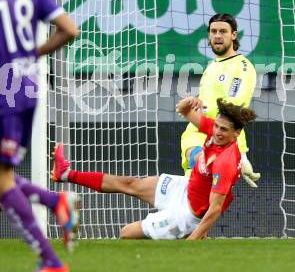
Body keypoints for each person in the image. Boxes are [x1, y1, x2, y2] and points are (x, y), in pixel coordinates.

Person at [51, 97, 256, 240]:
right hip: (185, 187)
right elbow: (184, 111)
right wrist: (189, 102)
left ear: (237, 133)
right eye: (217, 126)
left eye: (224, 130)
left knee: (126, 234)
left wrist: (193, 238)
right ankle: (66, 174)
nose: (217, 132)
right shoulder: (215, 130)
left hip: (188, 213)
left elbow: (215, 209)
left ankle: (178, 237)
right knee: (130, 183)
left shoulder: (225, 161)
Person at [0, 0, 79, 272]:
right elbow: (69, 30)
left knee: (2, 179)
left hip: (3, 93)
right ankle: (55, 199)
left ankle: (51, 261)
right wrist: (34, 53)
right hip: (26, 87)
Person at [181, 13, 260, 187]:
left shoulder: (242, 67)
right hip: (195, 135)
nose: (217, 35)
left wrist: (242, 155)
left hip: (217, 140)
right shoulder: (212, 66)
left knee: (200, 198)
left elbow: (233, 111)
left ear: (233, 35)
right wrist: (197, 105)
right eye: (213, 31)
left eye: (223, 31)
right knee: (189, 206)